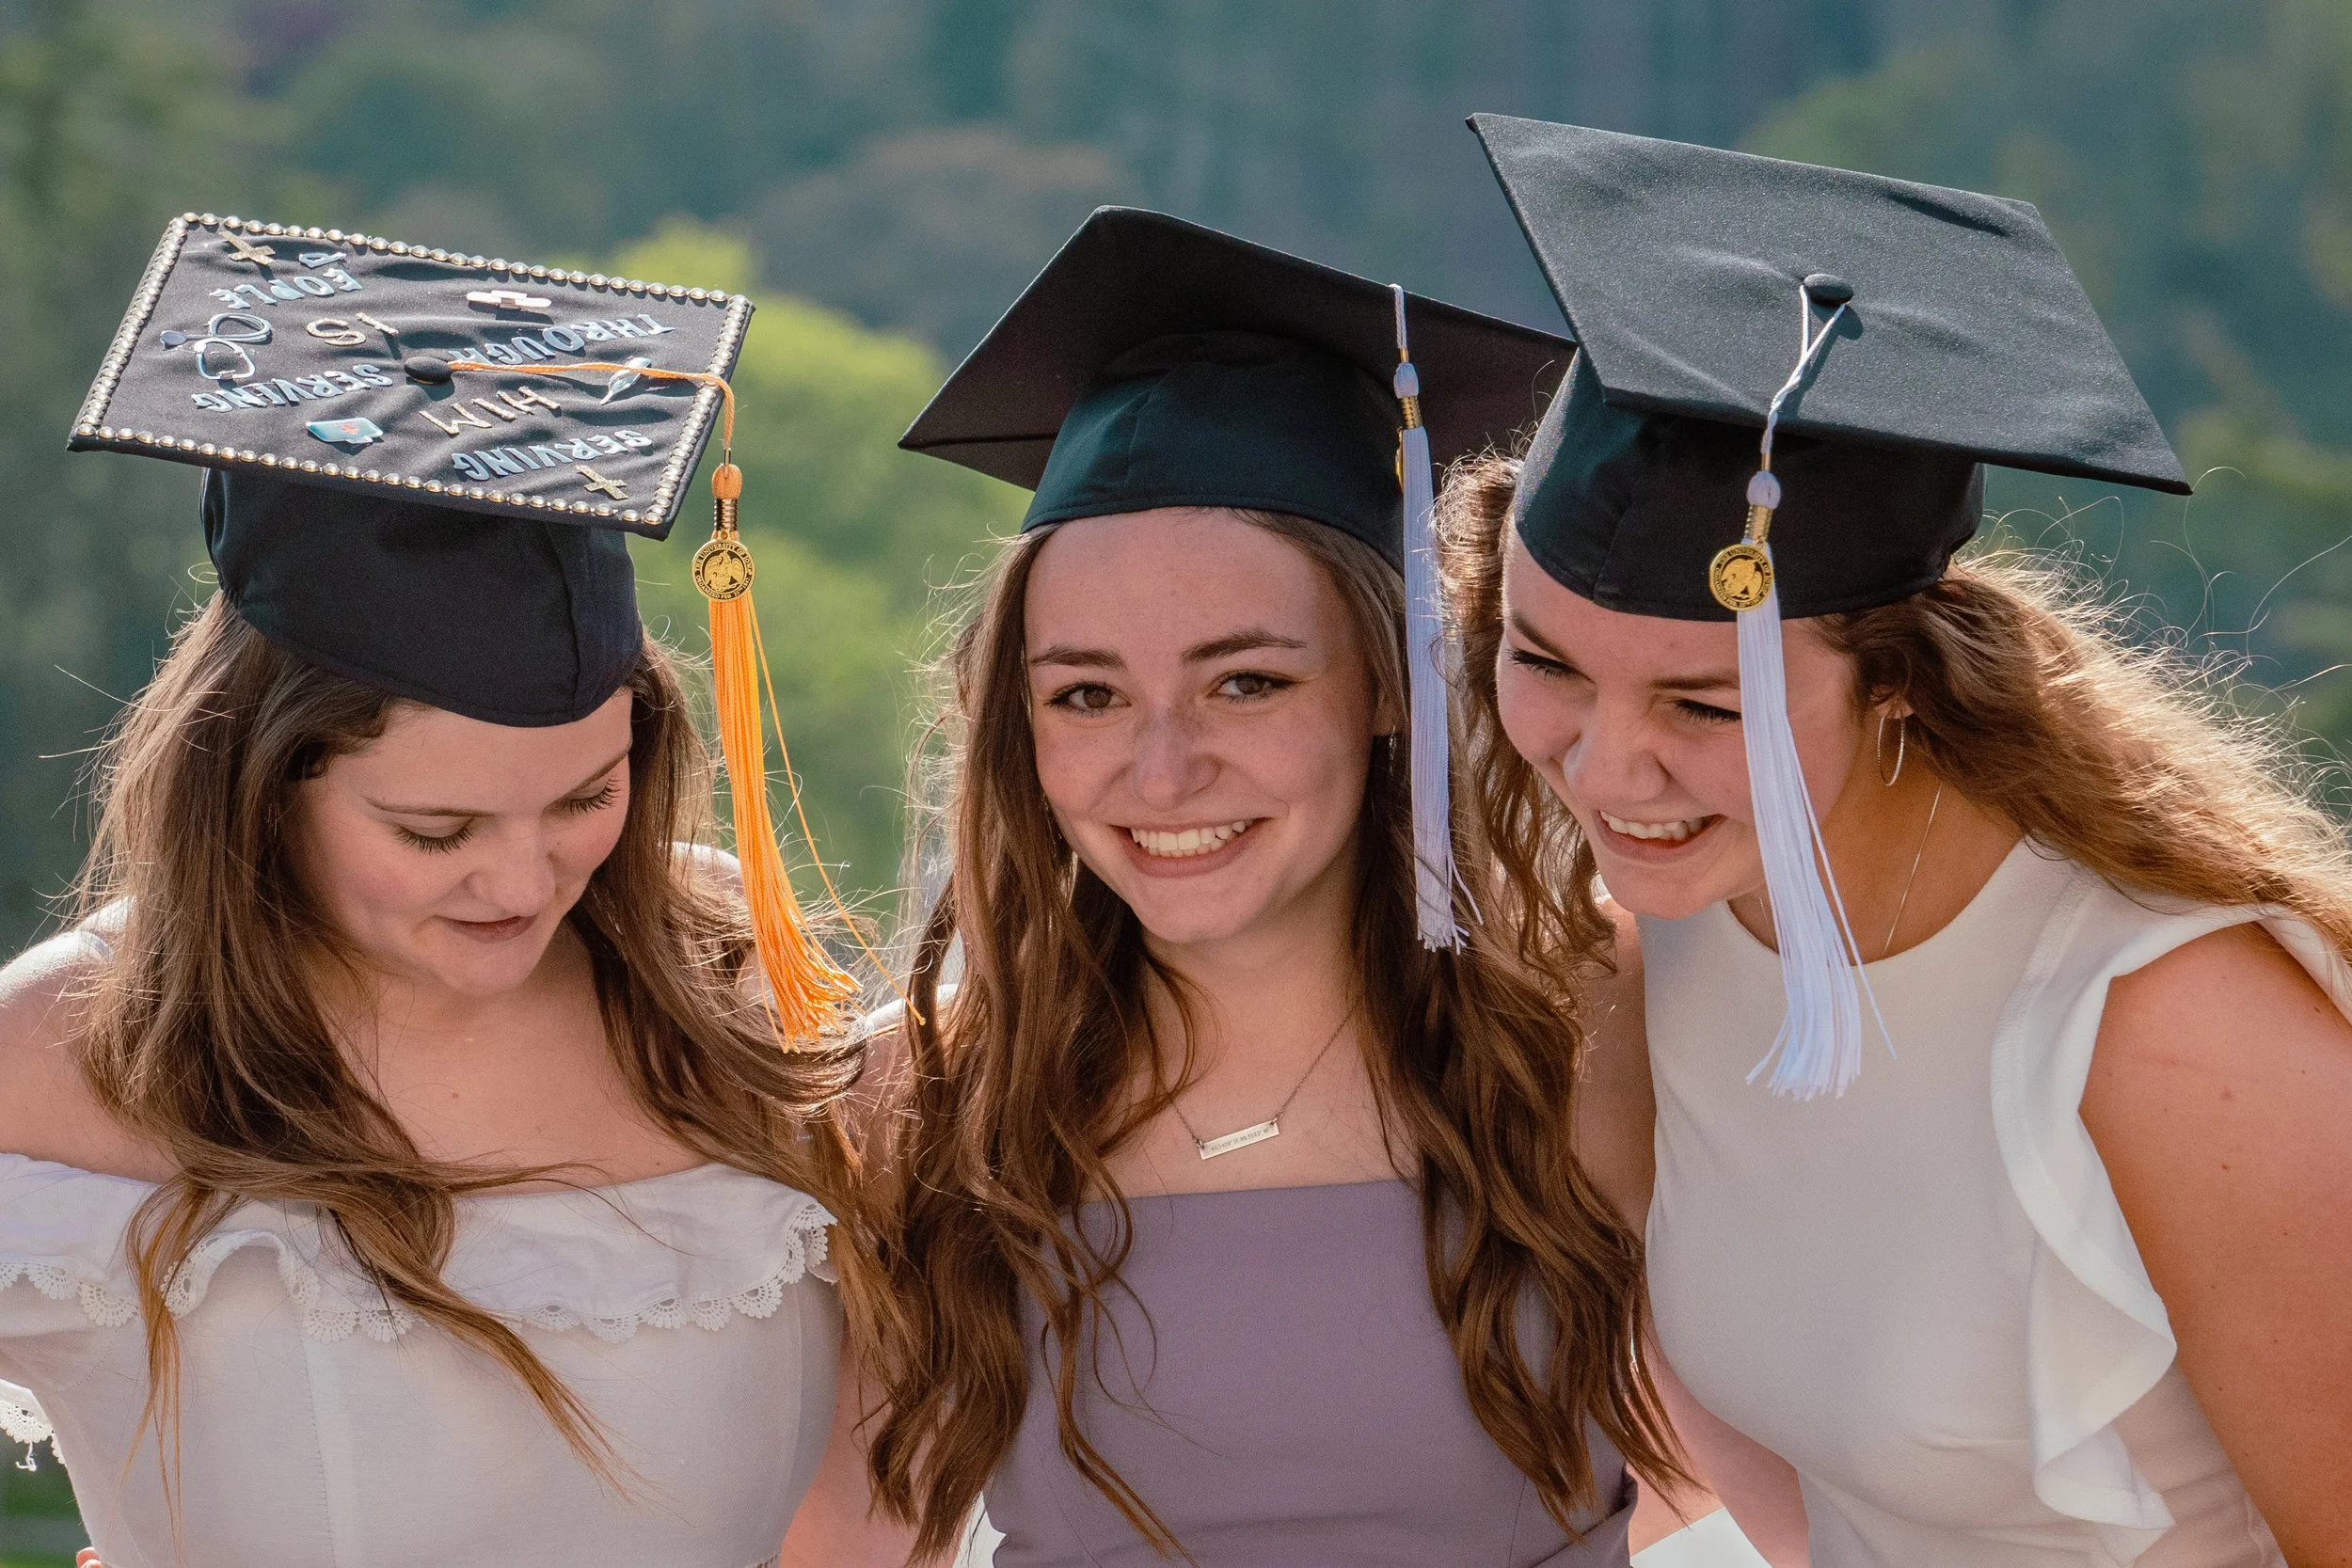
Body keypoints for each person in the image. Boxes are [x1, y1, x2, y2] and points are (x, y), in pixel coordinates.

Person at [1440, 117, 2352, 1566]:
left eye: (1701, 698)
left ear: (1895, 681)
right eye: (1542, 661)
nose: (1608, 767)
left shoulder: (2166, 1027)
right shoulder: (1662, 940)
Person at [778, 207, 1699, 1567]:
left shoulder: (1600, 1026)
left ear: (1388, 683)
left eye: (1246, 681)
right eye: (1086, 693)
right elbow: (844, 1543)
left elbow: (1808, 1461)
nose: (1164, 770)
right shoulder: (931, 1099)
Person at [0, 215, 864, 1567]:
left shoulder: (731, 978)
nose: (525, 880)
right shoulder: (61, 1053)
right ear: (256, 785)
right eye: (435, 825)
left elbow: (882, 1490)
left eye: (587, 797)